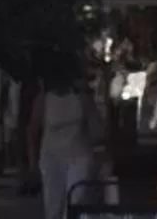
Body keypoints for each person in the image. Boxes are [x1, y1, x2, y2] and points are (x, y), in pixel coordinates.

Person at [30, 62, 105, 219]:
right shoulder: (44, 99)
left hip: (78, 156)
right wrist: (33, 163)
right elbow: (33, 131)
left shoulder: (81, 98)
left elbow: (96, 126)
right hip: (51, 158)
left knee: (76, 199)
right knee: (53, 204)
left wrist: (99, 152)